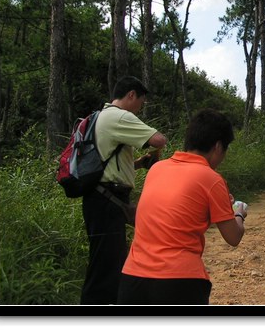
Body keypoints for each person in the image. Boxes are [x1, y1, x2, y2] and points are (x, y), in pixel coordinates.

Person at [117, 108, 246, 305]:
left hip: (132, 278)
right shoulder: (211, 178)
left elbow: (174, 215)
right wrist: (239, 214)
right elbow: (233, 237)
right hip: (179, 282)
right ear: (218, 147)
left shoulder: (157, 169)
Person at [81, 76, 167, 305]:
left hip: (98, 197)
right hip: (107, 200)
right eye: (141, 101)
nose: (140, 107)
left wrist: (139, 163)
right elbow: (159, 139)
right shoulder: (119, 116)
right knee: (105, 265)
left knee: (109, 260)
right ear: (131, 95)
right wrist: (155, 149)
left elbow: (107, 162)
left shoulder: (99, 116)